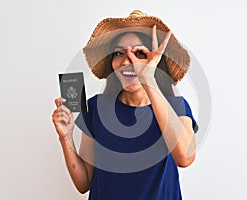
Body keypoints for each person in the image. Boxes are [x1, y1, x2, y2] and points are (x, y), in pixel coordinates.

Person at [52, 10, 198, 200]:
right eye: (119, 53)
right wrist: (66, 137)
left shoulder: (176, 106)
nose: (128, 61)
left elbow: (185, 158)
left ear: (154, 60)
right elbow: (83, 183)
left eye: (139, 53)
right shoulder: (95, 108)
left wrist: (147, 77)